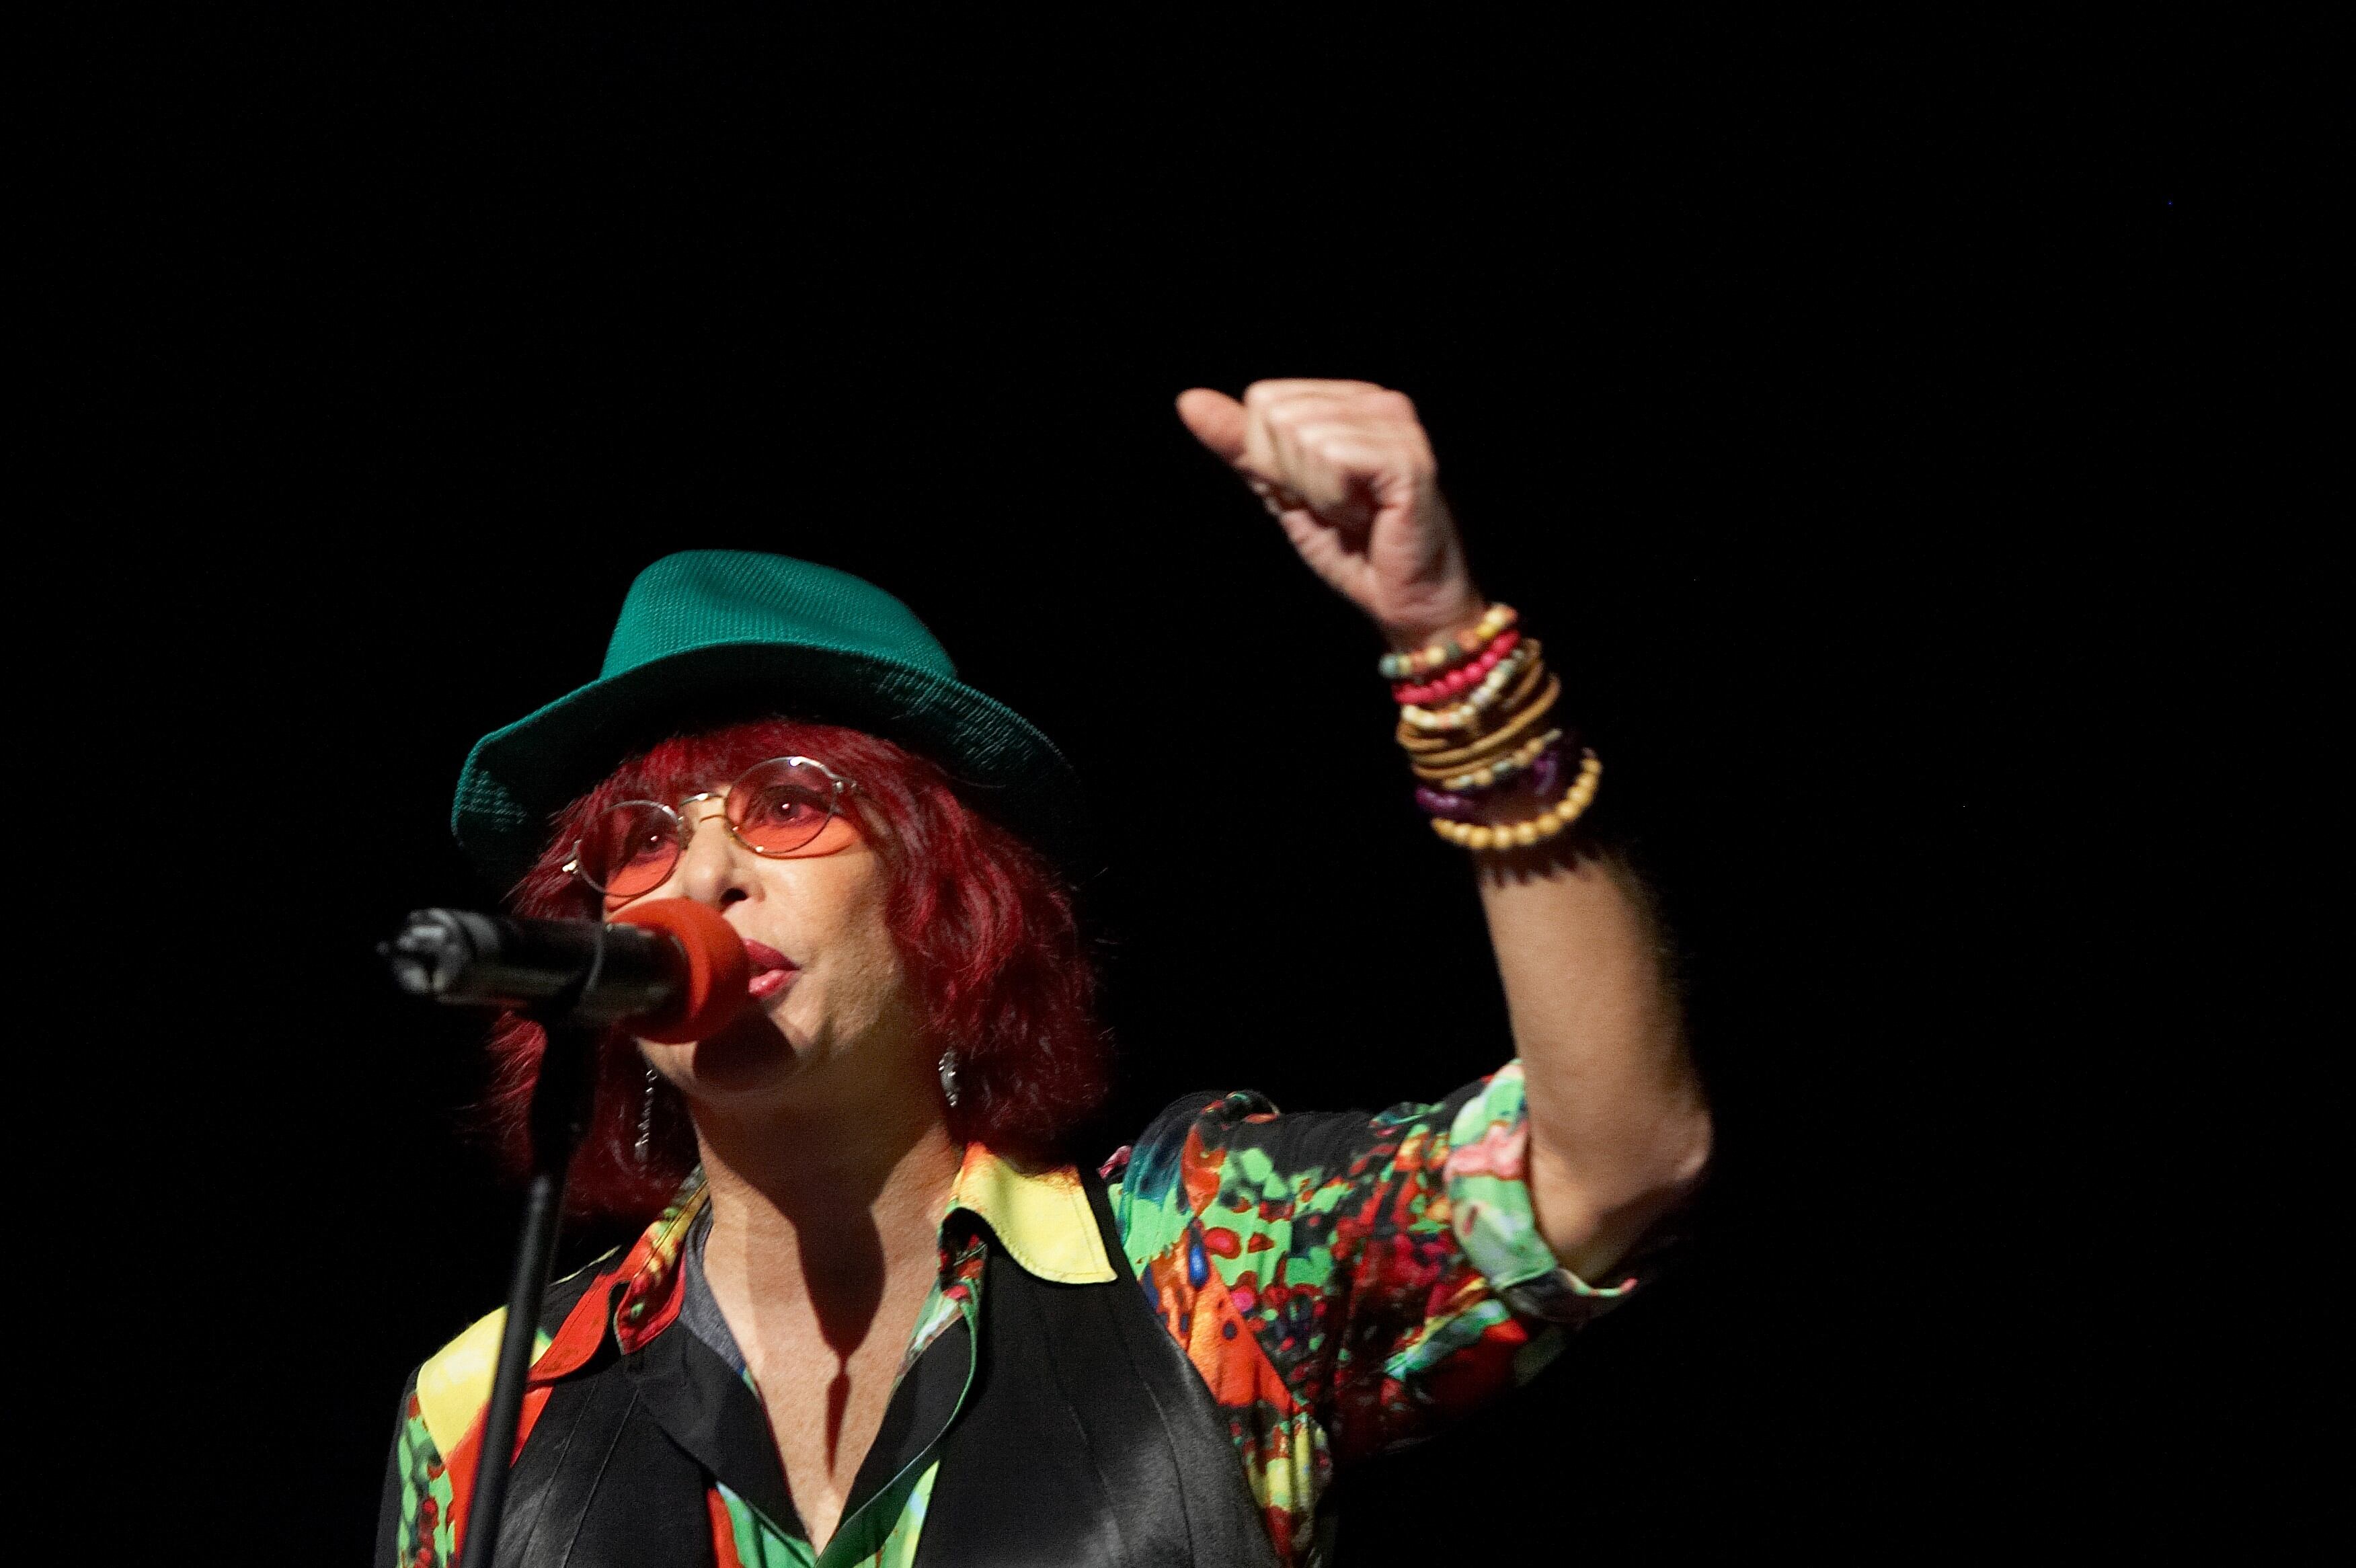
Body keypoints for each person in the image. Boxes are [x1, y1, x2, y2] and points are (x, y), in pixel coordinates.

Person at [379, 380, 1713, 1567]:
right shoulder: (487, 1403)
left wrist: (1450, 649)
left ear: (946, 900)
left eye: (790, 806)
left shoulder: (1197, 1258)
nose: (700, 875)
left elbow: (1613, 1159)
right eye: (641, 837)